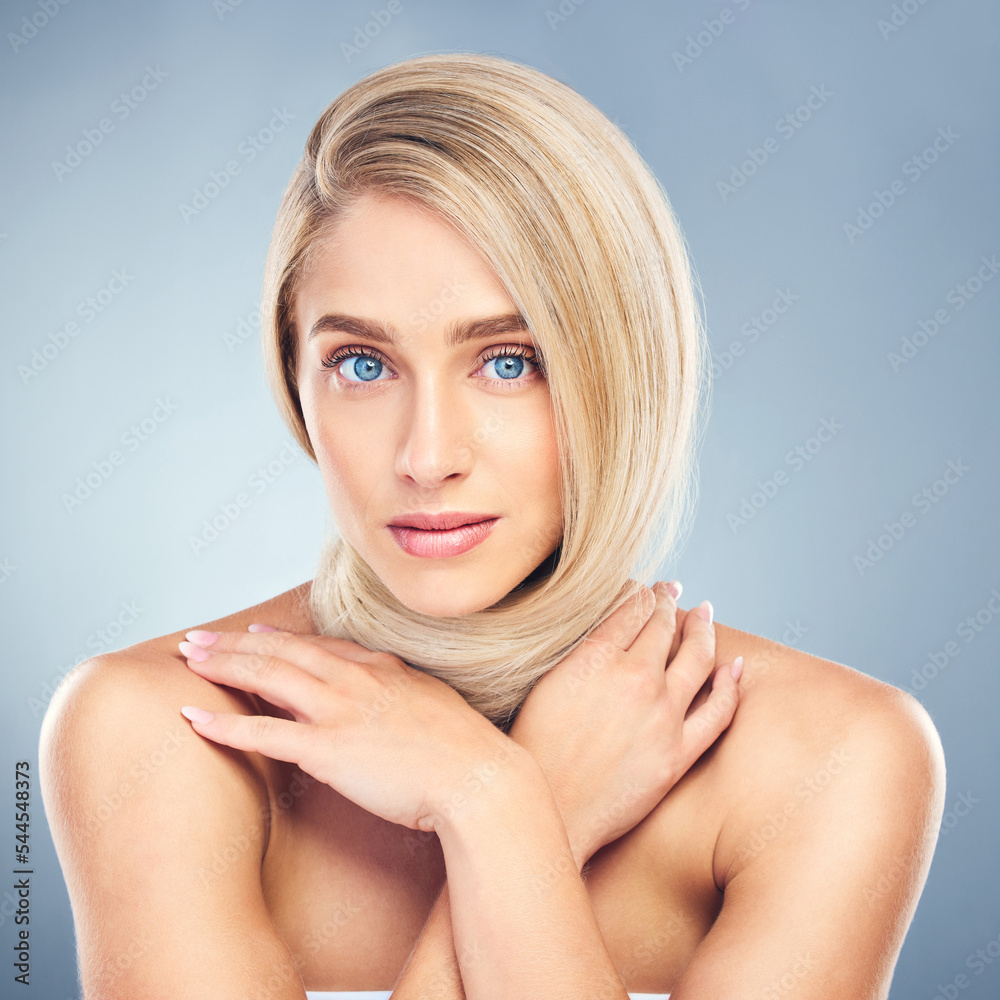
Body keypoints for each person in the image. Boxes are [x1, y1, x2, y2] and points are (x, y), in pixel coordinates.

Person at [39, 53, 945, 1000]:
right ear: (292, 382)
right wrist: (510, 802)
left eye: (508, 362)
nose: (427, 457)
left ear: (622, 373)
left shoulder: (837, 757)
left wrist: (494, 808)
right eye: (360, 364)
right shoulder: (161, 732)